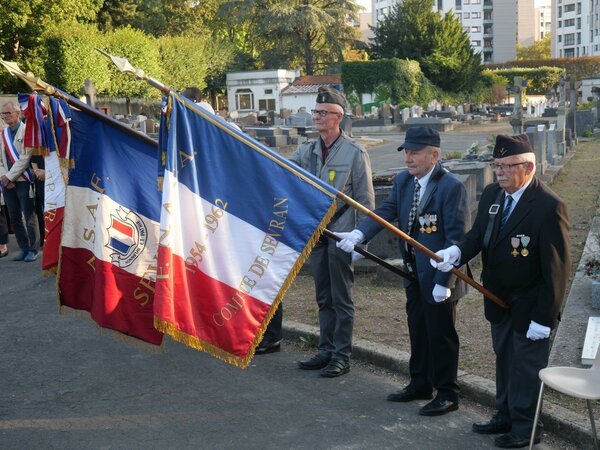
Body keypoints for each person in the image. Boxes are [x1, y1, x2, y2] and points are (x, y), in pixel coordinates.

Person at [431, 134, 570, 448]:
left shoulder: (548, 206)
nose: (500, 173)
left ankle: (527, 428)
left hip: (531, 305)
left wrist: (544, 318)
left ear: (528, 167)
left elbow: (557, 269)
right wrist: (456, 253)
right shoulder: (494, 194)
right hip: (498, 299)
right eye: (497, 166)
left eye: (508, 166)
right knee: (504, 360)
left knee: (527, 367)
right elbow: (477, 236)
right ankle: (504, 415)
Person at [337, 126, 470, 415]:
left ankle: (447, 393)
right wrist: (360, 234)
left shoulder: (451, 187)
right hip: (413, 274)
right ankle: (420, 382)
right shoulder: (404, 182)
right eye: (407, 152)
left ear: (435, 155)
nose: (408, 158)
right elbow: (386, 212)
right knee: (418, 329)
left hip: (440, 277)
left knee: (441, 334)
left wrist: (443, 279)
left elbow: (456, 238)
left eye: (415, 153)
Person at [263, 86, 375, 375]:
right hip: (317, 235)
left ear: (338, 117)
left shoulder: (354, 152)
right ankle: (325, 350)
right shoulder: (307, 150)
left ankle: (341, 355)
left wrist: (360, 242)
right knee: (323, 297)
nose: (316, 117)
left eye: (322, 113)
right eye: (315, 112)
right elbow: (284, 173)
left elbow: (365, 202)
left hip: (342, 236)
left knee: (342, 299)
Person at [0, 101, 39, 262]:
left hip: (23, 180)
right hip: (7, 182)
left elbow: (25, 158)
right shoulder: (3, 134)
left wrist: (10, 177)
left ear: (18, 113)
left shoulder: (26, 131)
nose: (5, 116)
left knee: (29, 215)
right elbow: (0, 160)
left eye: (8, 113)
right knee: (15, 216)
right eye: (3, 114)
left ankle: (33, 248)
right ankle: (23, 248)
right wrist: (5, 177)